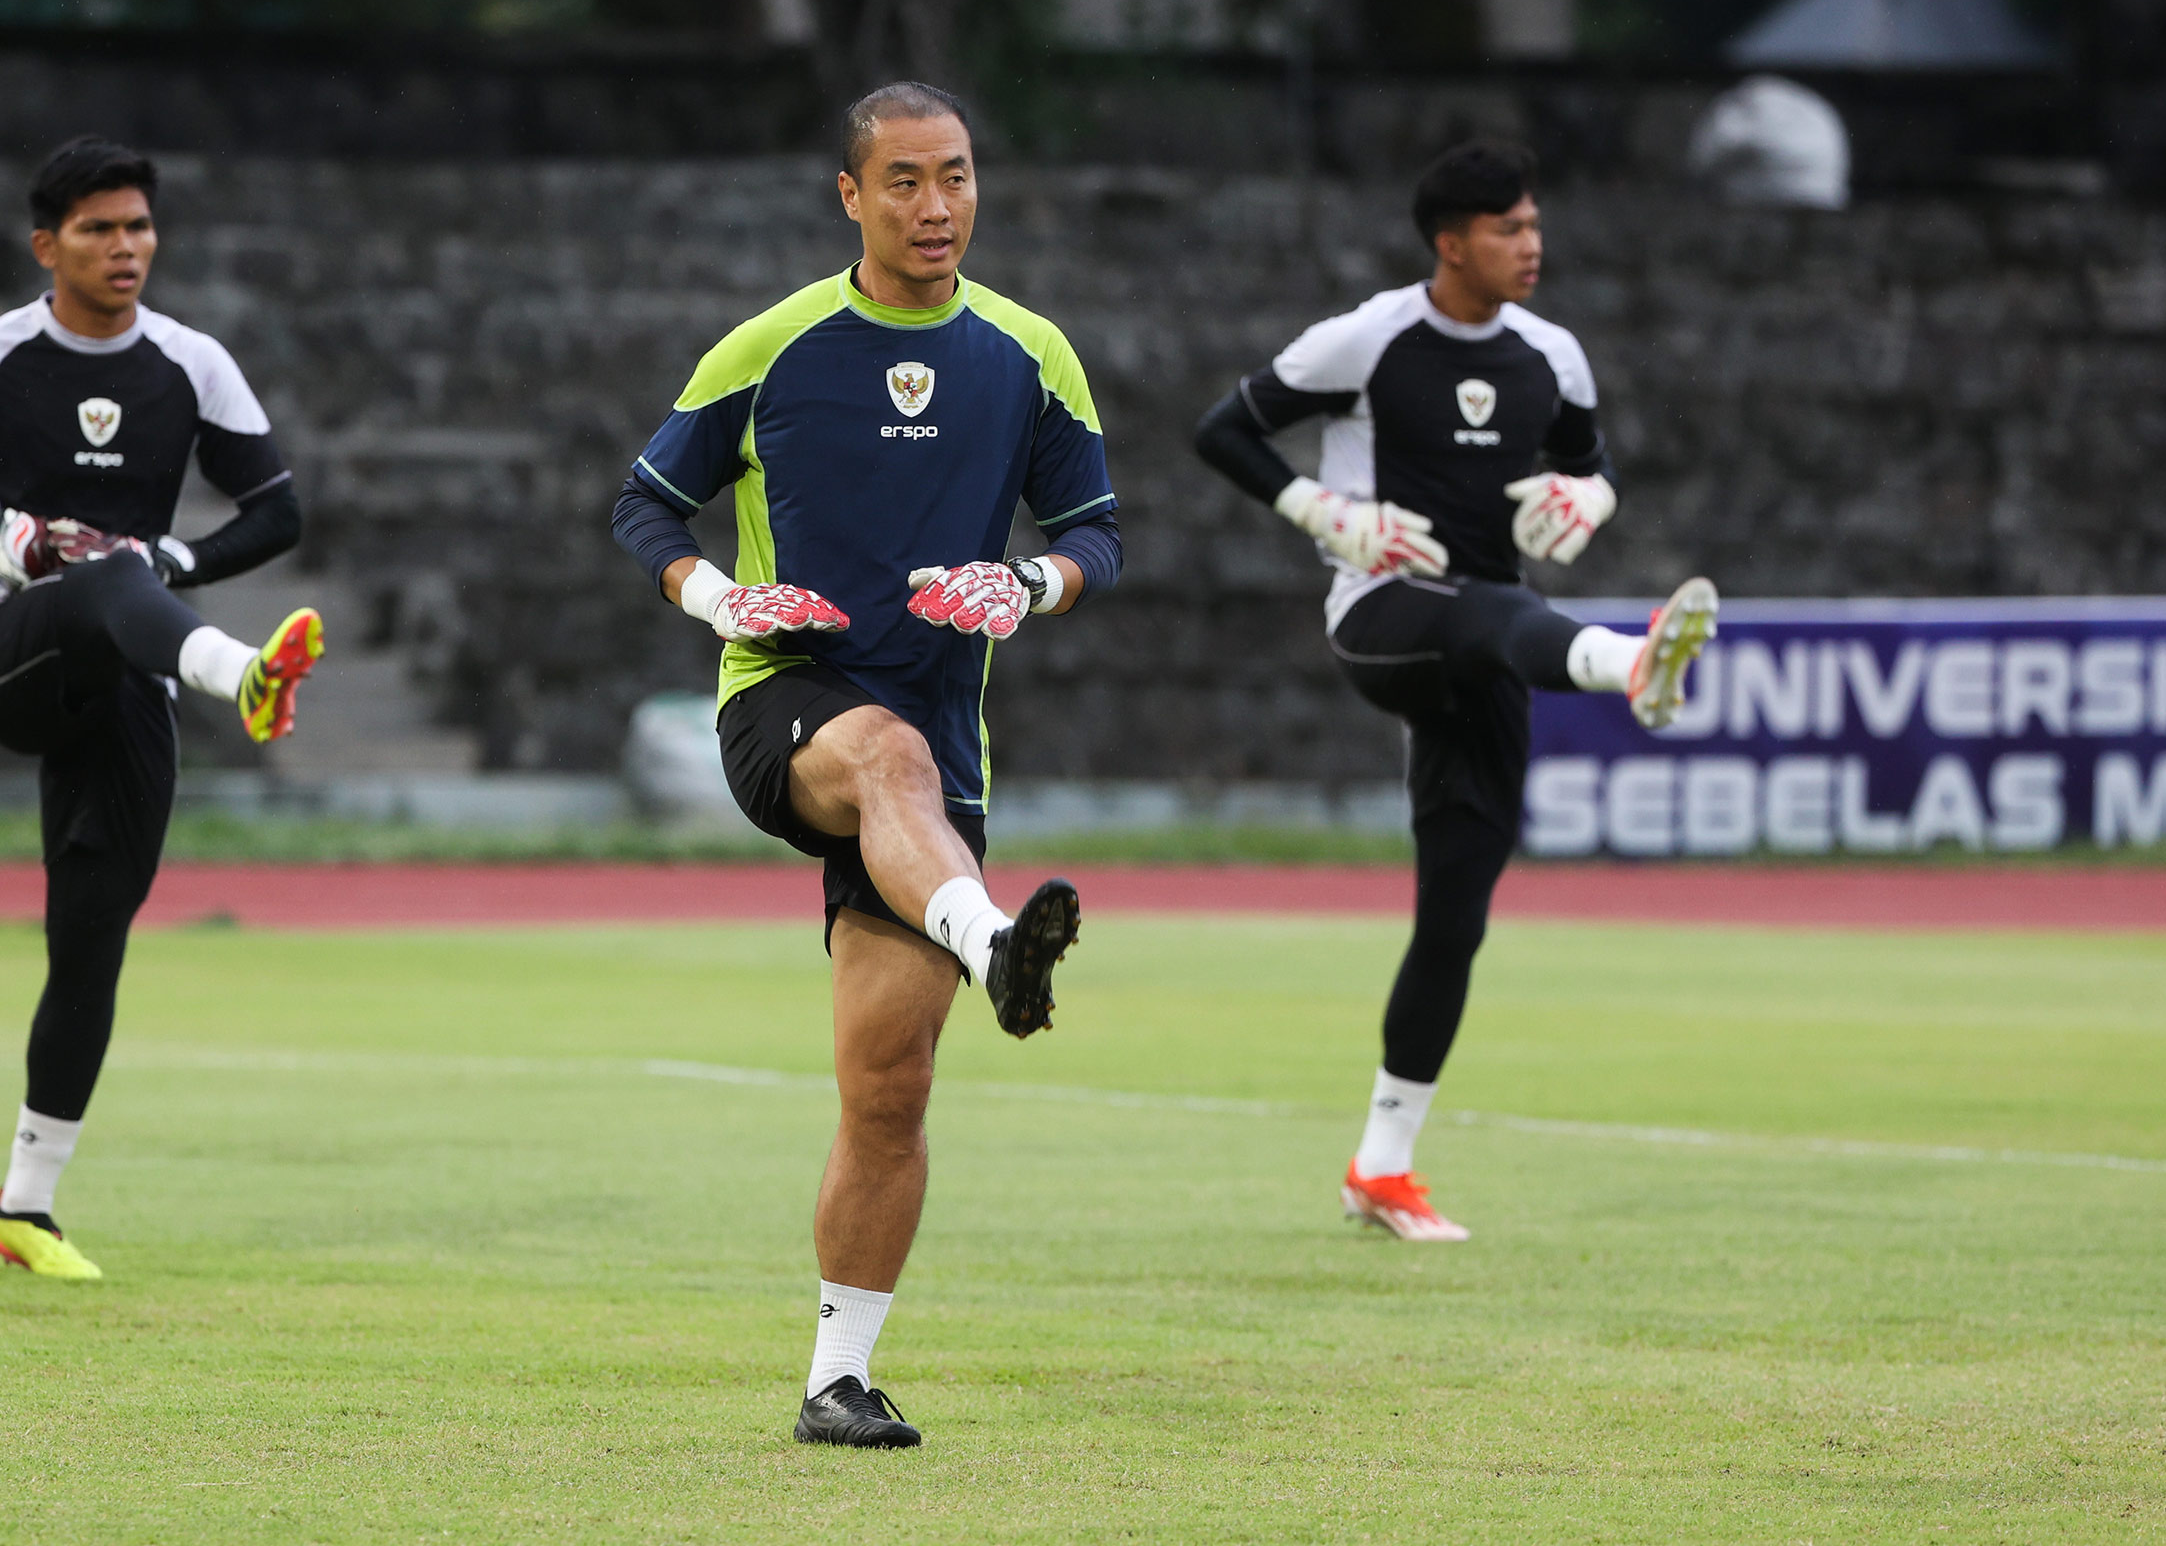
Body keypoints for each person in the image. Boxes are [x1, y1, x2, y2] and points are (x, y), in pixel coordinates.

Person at [609, 82, 1120, 1447]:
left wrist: (1031, 585)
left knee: (888, 1091)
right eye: (902, 180)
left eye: (954, 175)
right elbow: (644, 501)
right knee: (881, 753)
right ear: (850, 195)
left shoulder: (1029, 353)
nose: (934, 204)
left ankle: (837, 1379)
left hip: (942, 753)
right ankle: (995, 939)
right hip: (786, 702)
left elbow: (1100, 532)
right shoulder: (774, 346)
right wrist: (721, 604)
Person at [1191, 138, 1716, 1243]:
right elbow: (1223, 430)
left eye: (1534, 224)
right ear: (1451, 243)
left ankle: (1382, 1166)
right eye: (1509, 229)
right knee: (1484, 612)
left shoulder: (1552, 355)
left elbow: (1594, 462)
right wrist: (1322, 513)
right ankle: (1630, 664)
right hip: (1382, 617)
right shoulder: (1369, 338)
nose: (1533, 245)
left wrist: (1593, 501)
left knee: (1456, 917)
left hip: (1497, 644)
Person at [0, 135, 325, 1281]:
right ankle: (238, 676)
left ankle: (27, 1207)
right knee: (105, 577)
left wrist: (177, 554)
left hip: (129, 674)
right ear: (46, 244)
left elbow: (278, 511)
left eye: (141, 227)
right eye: (102, 229)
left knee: (90, 940)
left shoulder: (192, 364)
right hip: (8, 654)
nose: (127, 248)